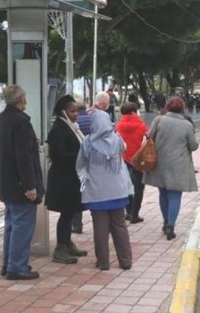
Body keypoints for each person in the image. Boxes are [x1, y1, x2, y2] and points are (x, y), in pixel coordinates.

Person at [0, 85, 44, 280]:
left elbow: (5, 149)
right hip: (20, 184)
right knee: (22, 226)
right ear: (21, 98)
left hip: (5, 181)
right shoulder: (21, 122)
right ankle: (17, 267)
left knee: (11, 225)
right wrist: (30, 186)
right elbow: (23, 157)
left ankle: (8, 263)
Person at [76, 110, 134, 271]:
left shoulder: (87, 142)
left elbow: (80, 164)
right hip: (118, 189)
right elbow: (124, 150)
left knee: (100, 227)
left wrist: (84, 178)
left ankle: (103, 262)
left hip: (97, 191)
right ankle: (125, 260)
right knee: (119, 224)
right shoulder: (117, 139)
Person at [143, 97, 199, 240]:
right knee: (175, 195)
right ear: (182, 109)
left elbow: (149, 136)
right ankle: (171, 226)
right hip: (178, 166)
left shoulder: (158, 120)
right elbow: (193, 146)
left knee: (163, 193)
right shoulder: (187, 125)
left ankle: (165, 221)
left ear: (167, 107)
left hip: (160, 164)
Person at [45, 95, 88, 264]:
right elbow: (59, 155)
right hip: (63, 178)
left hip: (72, 177)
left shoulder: (72, 127)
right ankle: (60, 247)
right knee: (66, 213)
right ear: (63, 112)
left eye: (76, 110)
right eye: (72, 111)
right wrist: (81, 155)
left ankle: (67, 242)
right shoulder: (58, 129)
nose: (76, 114)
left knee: (70, 212)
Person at [115, 103, 148, 224]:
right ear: (134, 112)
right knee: (138, 187)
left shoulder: (118, 126)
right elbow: (146, 141)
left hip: (123, 159)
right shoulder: (142, 126)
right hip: (138, 160)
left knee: (126, 185)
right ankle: (135, 214)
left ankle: (128, 211)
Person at [71, 97, 92, 234]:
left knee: (77, 192)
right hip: (91, 161)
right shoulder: (92, 120)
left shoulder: (74, 123)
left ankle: (77, 224)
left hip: (77, 162)